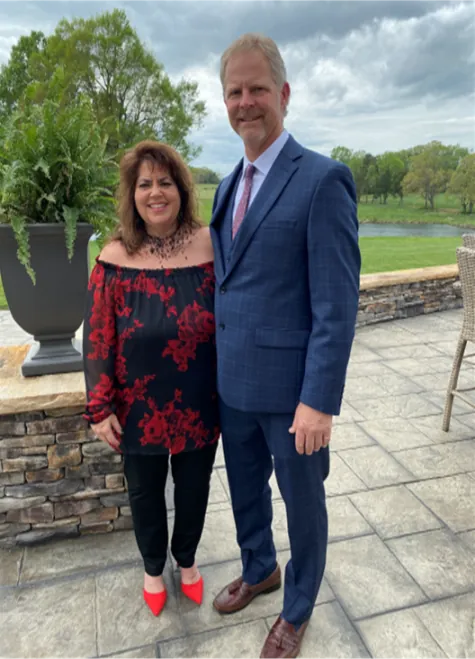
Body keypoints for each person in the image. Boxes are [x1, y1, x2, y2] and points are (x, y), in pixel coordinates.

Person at [210, 34, 360, 658]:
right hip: (233, 387)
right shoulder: (226, 186)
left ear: (284, 94)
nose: (246, 102)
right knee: (245, 493)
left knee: (303, 505)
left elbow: (336, 305)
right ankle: (260, 568)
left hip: (294, 396)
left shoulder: (322, 180)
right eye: (234, 92)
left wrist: (319, 401)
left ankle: (297, 606)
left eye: (257, 89)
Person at [82, 140, 219, 617]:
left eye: (164, 182)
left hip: (200, 400)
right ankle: (153, 568)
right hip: (137, 406)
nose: (155, 192)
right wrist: (99, 408)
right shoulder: (114, 256)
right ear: (132, 194)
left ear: (181, 189)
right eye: (145, 184)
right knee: (144, 493)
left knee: (195, 488)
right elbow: (97, 337)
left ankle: (187, 561)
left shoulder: (210, 245)